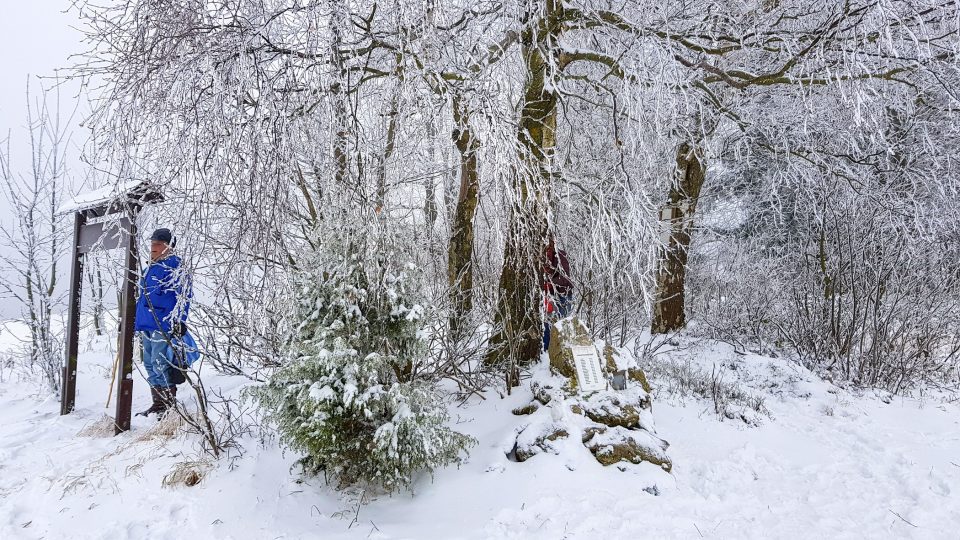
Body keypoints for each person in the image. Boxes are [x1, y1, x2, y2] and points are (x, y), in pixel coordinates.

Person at [134, 228, 192, 417]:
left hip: (163, 323)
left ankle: (167, 405)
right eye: (152, 244)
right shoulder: (149, 267)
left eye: (158, 244)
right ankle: (158, 404)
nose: (153, 247)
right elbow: (142, 298)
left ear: (169, 247)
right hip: (146, 323)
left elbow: (184, 296)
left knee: (160, 363)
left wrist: (180, 320)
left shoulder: (176, 268)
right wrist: (133, 321)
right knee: (149, 363)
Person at [542, 239, 573, 350]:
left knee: (562, 323)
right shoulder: (540, 256)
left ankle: (563, 350)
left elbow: (565, 278)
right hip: (549, 295)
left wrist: (550, 282)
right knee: (547, 321)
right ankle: (547, 349)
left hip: (563, 294)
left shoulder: (560, 255)